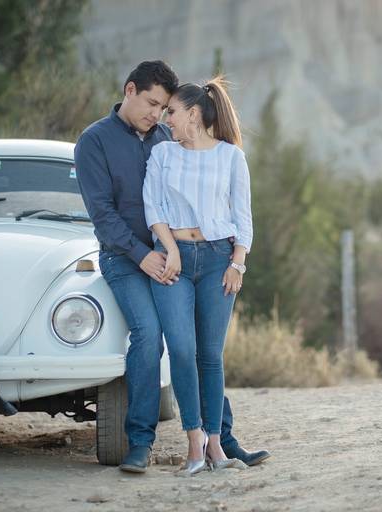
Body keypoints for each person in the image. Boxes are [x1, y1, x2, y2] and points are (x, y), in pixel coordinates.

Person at [74, 61, 269, 473]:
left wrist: (231, 254)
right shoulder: (95, 141)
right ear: (129, 90)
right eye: (151, 104)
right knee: (150, 335)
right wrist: (145, 253)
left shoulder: (169, 138)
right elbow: (103, 214)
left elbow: (211, 188)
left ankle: (222, 440)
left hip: (176, 255)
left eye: (165, 108)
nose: (157, 115)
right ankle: (140, 442)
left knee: (201, 347)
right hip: (127, 257)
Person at [143, 77, 252, 475]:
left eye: (171, 112)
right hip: (173, 260)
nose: (164, 119)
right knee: (182, 351)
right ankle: (194, 443)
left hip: (219, 259)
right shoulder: (163, 154)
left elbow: (243, 217)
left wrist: (237, 263)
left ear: (193, 114)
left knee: (210, 355)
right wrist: (169, 249)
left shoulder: (230, 157)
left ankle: (216, 445)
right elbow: (152, 207)